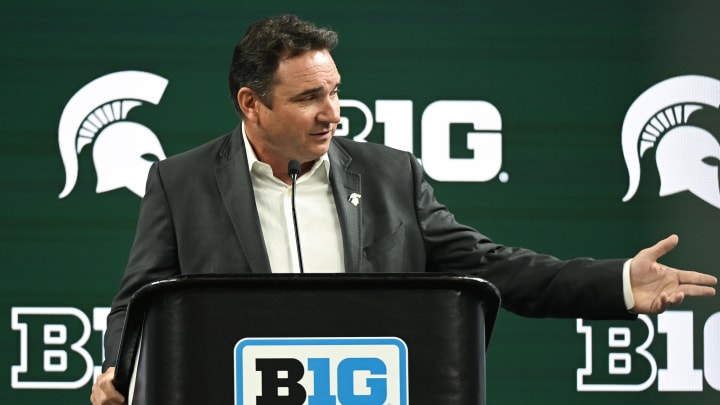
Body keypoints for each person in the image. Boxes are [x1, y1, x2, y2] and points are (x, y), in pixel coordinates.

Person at [90, 14, 717, 405]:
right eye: (309, 97)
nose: (332, 112)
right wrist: (119, 367)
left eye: (334, 90)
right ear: (251, 103)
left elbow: (490, 267)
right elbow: (139, 299)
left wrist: (616, 283)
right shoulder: (181, 182)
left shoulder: (392, 175)